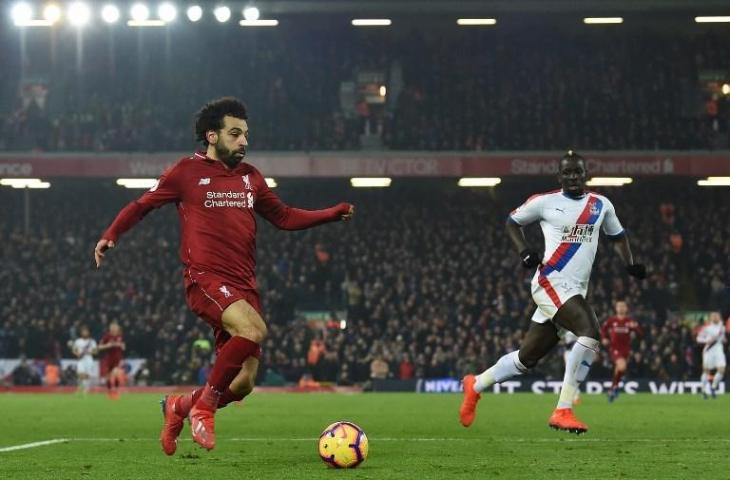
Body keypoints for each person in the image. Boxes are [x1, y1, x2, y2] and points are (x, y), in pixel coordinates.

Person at [94, 97, 354, 453]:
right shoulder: (185, 172)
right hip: (206, 277)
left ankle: (179, 406)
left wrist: (329, 213)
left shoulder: (251, 178)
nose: (244, 141)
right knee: (254, 330)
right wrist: (111, 234)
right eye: (235, 134)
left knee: (245, 381)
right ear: (211, 136)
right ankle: (203, 409)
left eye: (246, 134)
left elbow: (284, 217)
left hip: (244, 285)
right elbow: (142, 205)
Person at [459, 151, 646, 434]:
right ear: (559, 177)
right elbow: (512, 222)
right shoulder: (545, 202)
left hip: (574, 290)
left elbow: (618, 236)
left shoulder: (601, 205)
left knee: (526, 359)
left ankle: (476, 384)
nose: (573, 177)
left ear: (586, 174)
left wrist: (630, 264)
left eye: (578, 172)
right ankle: (563, 410)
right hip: (551, 283)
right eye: (567, 173)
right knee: (590, 331)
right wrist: (524, 251)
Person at [601, 300, 642, 402]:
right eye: (619, 306)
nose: (621, 308)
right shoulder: (611, 321)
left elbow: (640, 335)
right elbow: (603, 330)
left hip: (626, 349)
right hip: (615, 348)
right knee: (622, 366)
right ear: (616, 308)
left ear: (626, 308)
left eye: (623, 306)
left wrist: (635, 328)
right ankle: (614, 388)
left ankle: (612, 389)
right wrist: (604, 338)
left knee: (619, 369)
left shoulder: (629, 321)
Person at [696, 312, 726, 399]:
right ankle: (703, 390)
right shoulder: (706, 328)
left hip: (719, 350)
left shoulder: (722, 328)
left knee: (722, 369)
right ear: (710, 318)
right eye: (714, 316)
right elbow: (698, 338)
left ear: (719, 317)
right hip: (709, 350)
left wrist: (723, 339)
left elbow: (722, 337)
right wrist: (706, 341)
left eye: (717, 316)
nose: (715, 317)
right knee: (706, 371)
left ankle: (713, 388)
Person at [98, 322, 126, 399]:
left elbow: (124, 347)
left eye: (115, 327)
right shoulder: (107, 336)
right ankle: (110, 391)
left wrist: (121, 345)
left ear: (117, 328)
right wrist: (107, 345)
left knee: (115, 373)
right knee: (108, 376)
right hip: (109, 359)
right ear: (110, 329)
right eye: (112, 327)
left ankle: (116, 390)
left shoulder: (120, 336)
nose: (114, 329)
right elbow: (99, 347)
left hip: (117, 359)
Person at [72, 325, 98, 394]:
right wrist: (77, 354)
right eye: (83, 332)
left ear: (88, 333)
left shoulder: (92, 341)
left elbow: (95, 352)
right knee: (80, 373)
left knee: (87, 375)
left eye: (86, 332)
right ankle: (81, 387)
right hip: (81, 359)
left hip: (89, 359)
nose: (85, 333)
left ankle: (86, 388)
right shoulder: (78, 341)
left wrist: (89, 352)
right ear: (81, 333)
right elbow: (74, 350)